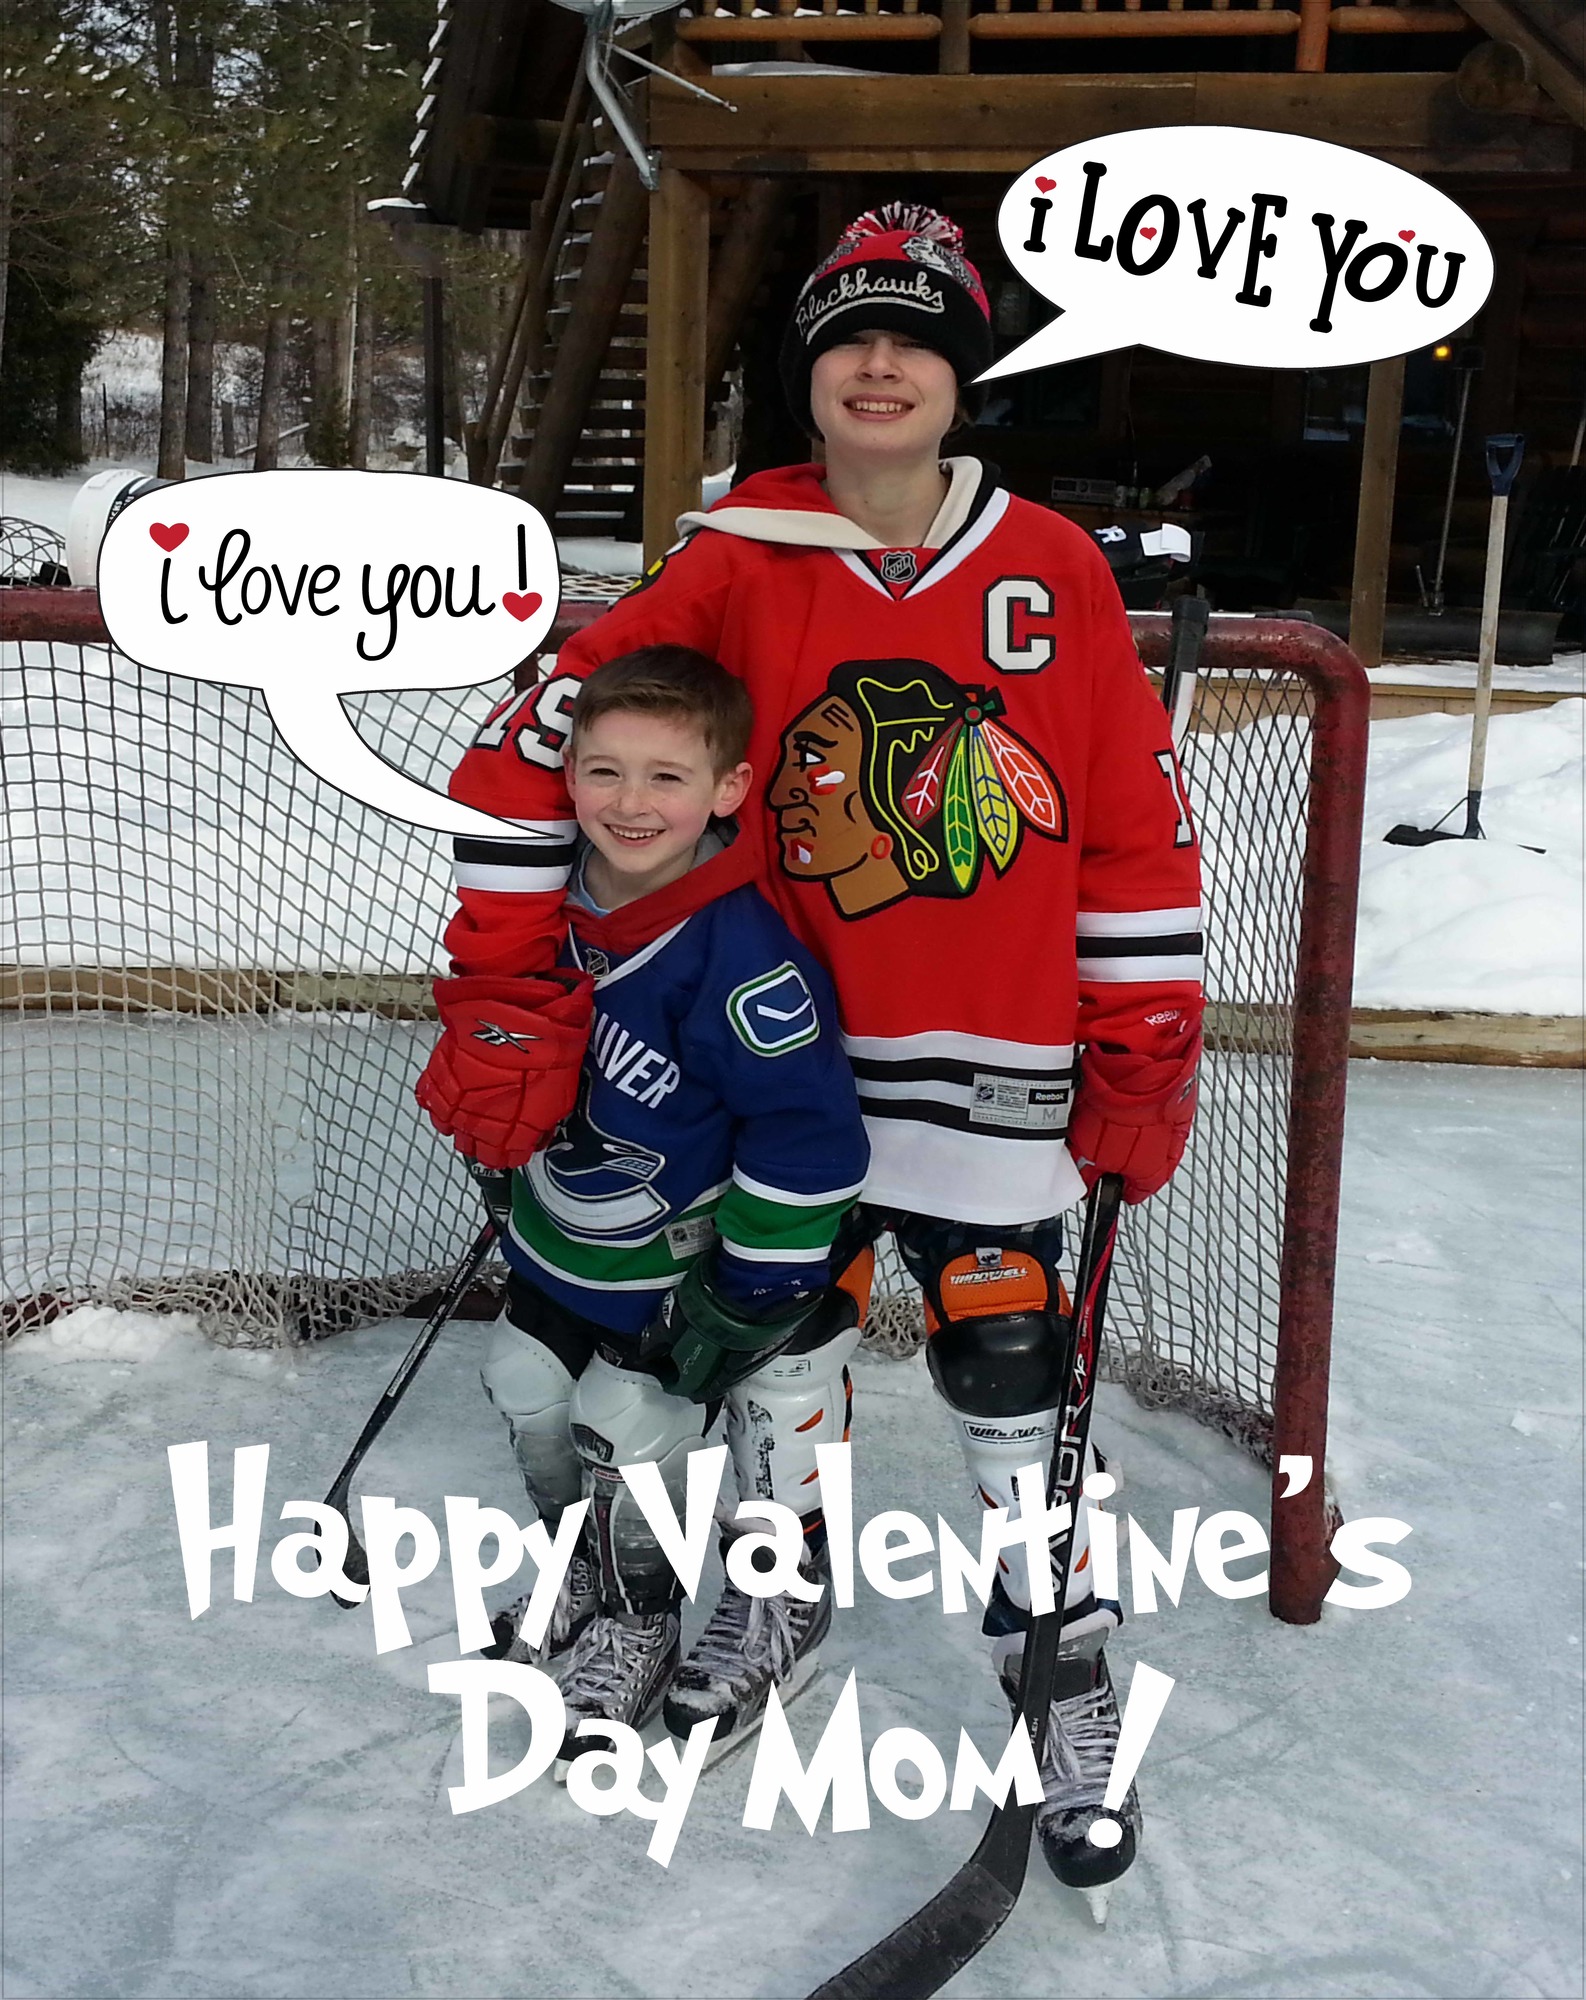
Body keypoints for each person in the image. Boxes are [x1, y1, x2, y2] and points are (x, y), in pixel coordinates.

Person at [417, 202, 1203, 1888]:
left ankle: (1058, 1653)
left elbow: (1131, 824)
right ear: (808, 373)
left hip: (991, 1061)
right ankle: (777, 1586)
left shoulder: (1051, 566)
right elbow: (533, 752)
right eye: (849, 336)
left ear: (963, 376)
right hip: (780, 1064)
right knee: (779, 1343)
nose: (880, 364)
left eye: (915, 338)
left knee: (1007, 1364)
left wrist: (1142, 1031)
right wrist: (508, 989)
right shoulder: (731, 558)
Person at [426, 645, 869, 1761]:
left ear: (727, 789)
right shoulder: (548, 907)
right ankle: (583, 1564)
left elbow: (811, 1137)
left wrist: (749, 1286)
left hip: (677, 1265)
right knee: (522, 1381)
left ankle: (641, 1619)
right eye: (604, 771)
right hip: (565, 1237)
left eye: (667, 777)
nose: (630, 803)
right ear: (568, 774)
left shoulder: (743, 958)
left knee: (626, 1426)